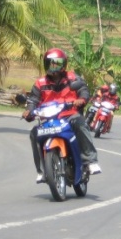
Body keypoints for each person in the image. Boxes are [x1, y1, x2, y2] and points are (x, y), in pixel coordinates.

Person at [23, 48, 102, 182]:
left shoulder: (72, 78)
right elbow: (33, 100)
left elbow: (83, 90)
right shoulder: (40, 83)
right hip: (48, 118)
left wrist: (81, 100)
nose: (53, 67)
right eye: (50, 63)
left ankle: (90, 161)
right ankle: (42, 170)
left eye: (57, 63)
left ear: (64, 64)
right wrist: (29, 111)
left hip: (69, 114)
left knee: (81, 124)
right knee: (34, 134)